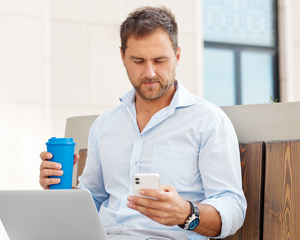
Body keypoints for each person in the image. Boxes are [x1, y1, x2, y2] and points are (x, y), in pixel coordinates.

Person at [39, 6, 246, 240]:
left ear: (177, 56)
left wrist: (186, 213)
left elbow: (232, 207)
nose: (149, 72)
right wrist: (60, 188)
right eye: (138, 61)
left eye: (159, 60)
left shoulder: (208, 121)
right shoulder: (105, 124)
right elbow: (92, 198)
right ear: (122, 57)